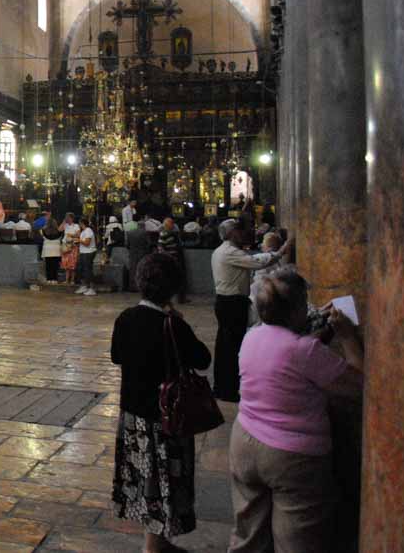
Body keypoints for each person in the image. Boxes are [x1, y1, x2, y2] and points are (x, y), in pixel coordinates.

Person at [229, 268, 363, 553]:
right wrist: (348, 336)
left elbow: (286, 352)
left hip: (244, 441)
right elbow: (359, 384)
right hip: (291, 458)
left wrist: (319, 324)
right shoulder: (304, 351)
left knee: (248, 535)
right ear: (295, 311)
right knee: (296, 540)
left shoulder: (251, 336)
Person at [111, 253, 210, 552]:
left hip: (133, 416)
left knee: (145, 481)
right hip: (164, 418)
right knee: (164, 482)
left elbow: (117, 356)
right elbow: (203, 359)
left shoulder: (125, 318)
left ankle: (157, 541)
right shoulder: (172, 325)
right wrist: (180, 323)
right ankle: (153, 547)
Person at [211, 220, 292, 402]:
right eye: (239, 231)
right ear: (232, 234)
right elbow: (256, 262)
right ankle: (227, 389)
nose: (243, 234)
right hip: (232, 303)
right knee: (231, 348)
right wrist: (279, 253)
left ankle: (223, 386)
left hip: (227, 302)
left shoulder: (224, 250)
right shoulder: (229, 252)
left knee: (226, 346)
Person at [157, 217, 188, 304]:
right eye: (171, 223)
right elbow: (161, 248)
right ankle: (173, 298)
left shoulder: (171, 234)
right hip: (171, 260)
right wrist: (169, 257)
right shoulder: (165, 234)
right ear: (168, 225)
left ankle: (179, 298)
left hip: (174, 259)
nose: (173, 225)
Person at [126, 221, 152, 293]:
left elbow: (127, 245)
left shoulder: (130, 233)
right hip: (142, 253)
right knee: (142, 270)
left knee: (133, 270)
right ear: (143, 226)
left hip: (132, 254)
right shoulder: (145, 233)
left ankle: (132, 287)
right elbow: (149, 243)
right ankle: (141, 286)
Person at [74, 217, 98, 295]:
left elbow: (87, 243)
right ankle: (84, 285)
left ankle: (92, 288)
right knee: (80, 269)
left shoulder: (88, 231)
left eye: (79, 223)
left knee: (88, 270)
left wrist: (79, 240)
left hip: (89, 252)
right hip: (83, 252)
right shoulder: (83, 231)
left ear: (82, 223)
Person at [61, 212, 81, 285]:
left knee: (73, 264)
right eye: (66, 217)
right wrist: (63, 221)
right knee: (66, 263)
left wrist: (71, 235)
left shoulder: (76, 226)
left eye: (68, 217)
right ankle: (66, 280)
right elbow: (59, 229)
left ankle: (72, 280)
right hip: (65, 245)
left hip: (73, 246)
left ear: (72, 218)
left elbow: (78, 234)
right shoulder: (65, 225)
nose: (67, 219)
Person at [41, 218, 62, 283]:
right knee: (55, 266)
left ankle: (49, 279)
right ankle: (55, 279)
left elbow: (42, 236)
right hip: (56, 250)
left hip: (47, 250)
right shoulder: (59, 232)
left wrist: (45, 226)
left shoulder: (43, 231)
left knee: (48, 265)